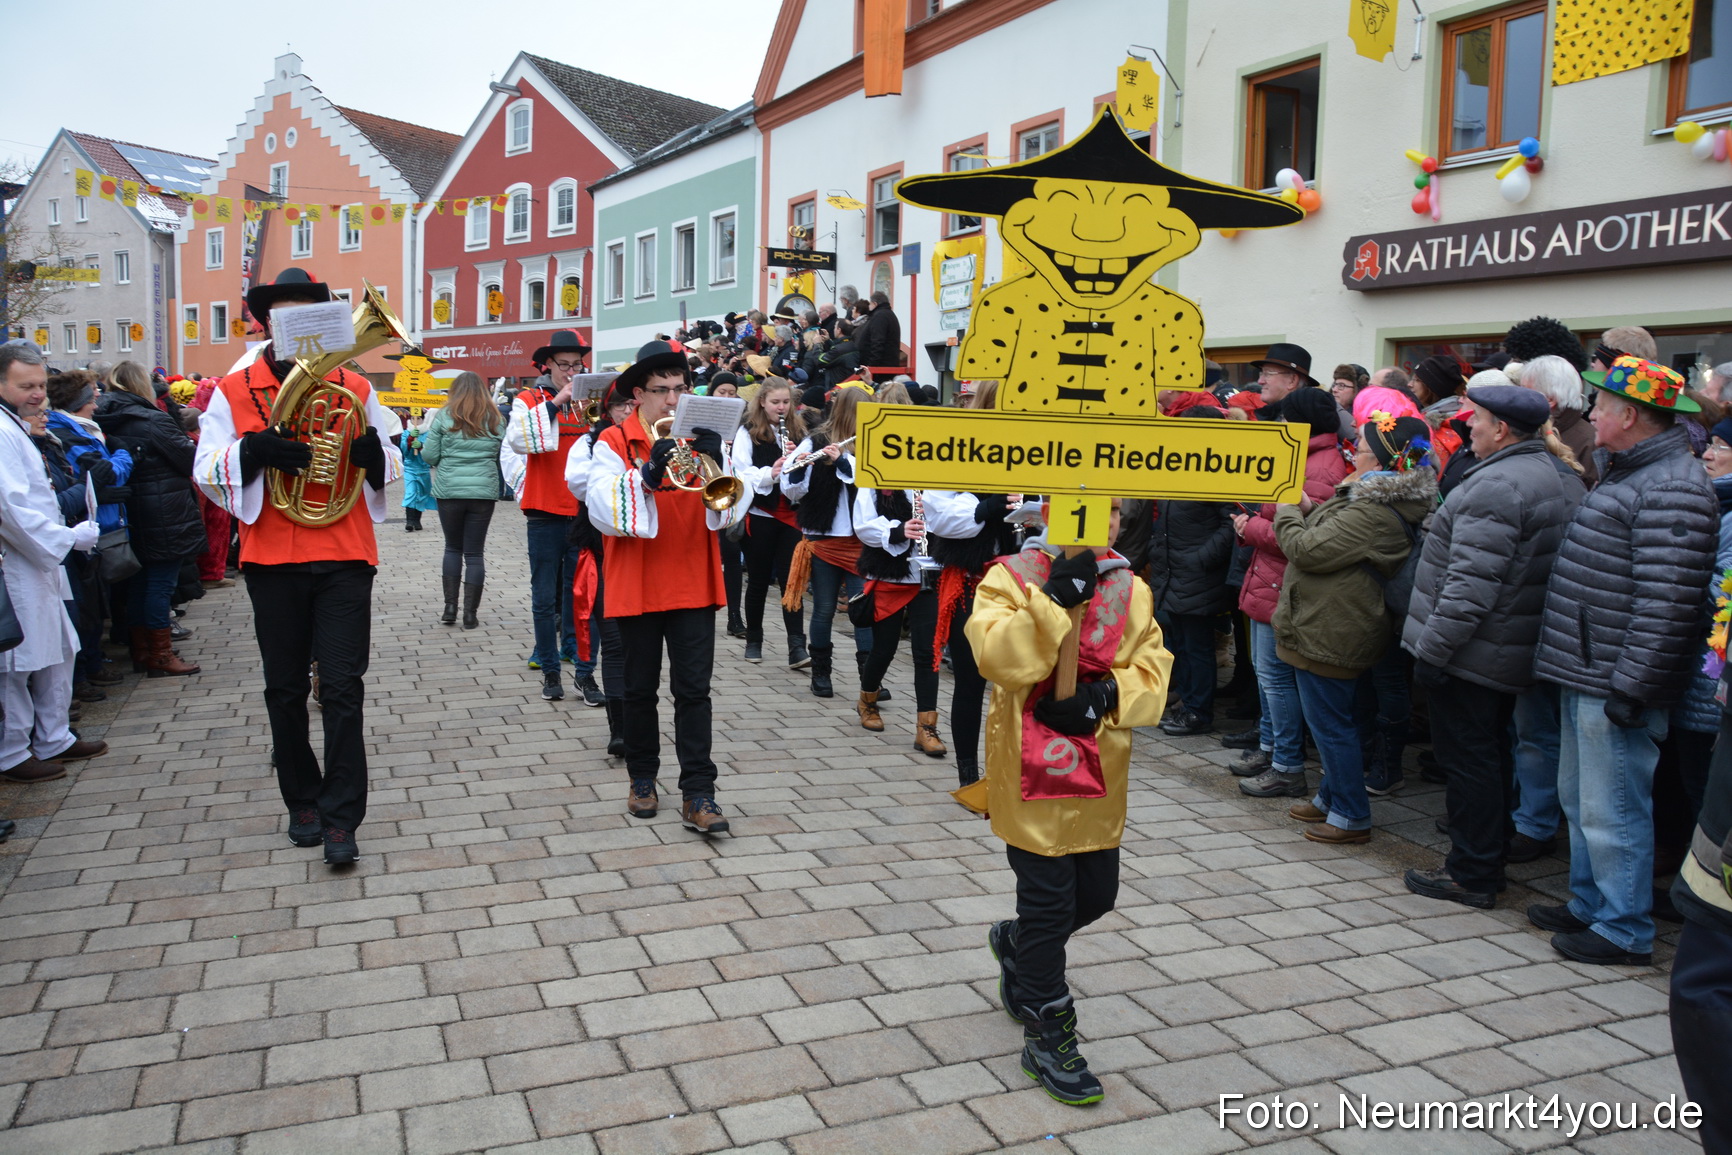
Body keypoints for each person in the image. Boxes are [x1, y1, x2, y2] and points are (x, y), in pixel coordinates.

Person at [193, 267, 403, 866]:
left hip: (344, 555)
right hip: (272, 558)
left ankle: (342, 818)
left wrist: (373, 455)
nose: (297, 326)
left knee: (342, 689)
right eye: (284, 315)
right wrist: (250, 451)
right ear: (266, 322)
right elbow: (205, 469)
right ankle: (302, 800)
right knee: (284, 690)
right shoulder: (234, 389)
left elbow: (391, 461)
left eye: (310, 314)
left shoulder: (355, 387)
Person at [967, 499, 1170, 1107]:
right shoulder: (1010, 575)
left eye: (1111, 512)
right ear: (1049, 512)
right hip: (1030, 774)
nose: (1100, 523)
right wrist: (1054, 600)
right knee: (1052, 905)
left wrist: (1107, 692)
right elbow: (995, 657)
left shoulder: (1131, 588)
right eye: (1084, 509)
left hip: (1098, 769)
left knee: (1096, 897)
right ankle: (1048, 1032)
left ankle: (1019, 943)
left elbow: (1154, 665)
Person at [1528, 357, 1718, 965]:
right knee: (1582, 799)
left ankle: (1624, 927)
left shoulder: (1671, 485)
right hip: (1589, 665)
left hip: (1614, 673)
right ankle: (1591, 904)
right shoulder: (1631, 470)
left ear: (1630, 416)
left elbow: (1669, 600)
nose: (1590, 414)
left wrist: (1634, 685)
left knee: (1614, 807)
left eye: (1601, 405)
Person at [1399, 385, 1585, 908]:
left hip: (1472, 653)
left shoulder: (1498, 485)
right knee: (1492, 756)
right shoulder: (1551, 473)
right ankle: (1487, 857)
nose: (1467, 428)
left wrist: (1432, 653)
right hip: (1502, 647)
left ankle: (1472, 873)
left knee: (1472, 762)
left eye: (1475, 420)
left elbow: (1468, 588)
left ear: (1502, 429)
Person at [586, 340, 746, 835]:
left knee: (693, 693)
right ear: (639, 394)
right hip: (636, 582)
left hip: (693, 580)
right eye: (662, 391)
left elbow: (731, 509)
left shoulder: (705, 435)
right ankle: (642, 778)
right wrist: (649, 475)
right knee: (638, 691)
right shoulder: (613, 440)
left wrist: (719, 462)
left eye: (680, 389)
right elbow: (602, 506)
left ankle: (700, 792)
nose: (673, 401)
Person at [1273, 414, 1436, 843]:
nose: (1353, 453)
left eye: (1361, 450)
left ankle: (1350, 814)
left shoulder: (1377, 510)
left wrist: (1287, 508)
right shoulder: (1369, 496)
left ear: (1383, 461)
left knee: (1331, 724)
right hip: (1328, 621)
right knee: (1336, 719)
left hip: (1334, 628)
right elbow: (1327, 533)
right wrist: (1308, 509)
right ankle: (1330, 797)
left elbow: (1306, 550)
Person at [1230, 386, 1352, 793]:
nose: (1279, 423)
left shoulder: (1319, 467)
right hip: (1270, 580)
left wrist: (1250, 529)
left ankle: (1286, 765)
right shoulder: (1302, 457)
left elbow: (1300, 537)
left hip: (1283, 582)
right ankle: (1270, 749)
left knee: (1276, 678)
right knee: (1269, 676)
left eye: (1286, 417)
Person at [0, 344, 105, 783]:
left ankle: (53, 735)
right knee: (20, 662)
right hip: (21, 562)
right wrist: (66, 539)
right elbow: (11, 507)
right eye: (26, 386)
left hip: (42, 561)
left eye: (41, 385)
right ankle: (12, 750)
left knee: (59, 649)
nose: (37, 394)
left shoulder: (17, 427)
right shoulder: (3, 432)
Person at [925, 381, 1023, 787]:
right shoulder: (959, 445)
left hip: (1024, 581)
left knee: (1020, 680)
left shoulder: (1041, 446)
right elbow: (940, 515)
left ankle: (1014, 767)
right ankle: (968, 772)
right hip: (974, 580)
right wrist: (989, 506)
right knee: (970, 678)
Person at [97, 361, 205, 678]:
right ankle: (160, 654)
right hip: (163, 511)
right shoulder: (151, 419)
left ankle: (142, 650)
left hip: (131, 511)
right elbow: (188, 459)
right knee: (160, 585)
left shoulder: (107, 417)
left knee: (140, 584)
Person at [506, 331, 593, 702]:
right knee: (543, 596)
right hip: (543, 511)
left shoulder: (592, 401)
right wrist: (558, 401)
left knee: (580, 595)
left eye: (577, 365)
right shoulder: (528, 400)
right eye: (564, 365)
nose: (571, 372)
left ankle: (580, 660)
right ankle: (549, 669)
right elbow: (519, 440)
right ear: (548, 367)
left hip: (582, 512)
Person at [781, 388, 879, 700]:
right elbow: (790, 487)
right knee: (823, 608)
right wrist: (803, 467)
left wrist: (842, 461)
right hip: (825, 537)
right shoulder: (816, 441)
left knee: (861, 610)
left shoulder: (872, 443)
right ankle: (821, 673)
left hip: (861, 539)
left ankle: (870, 678)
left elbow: (870, 481)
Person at [1146, 408, 1237, 738]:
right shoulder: (1183, 464)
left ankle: (1199, 711)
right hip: (1174, 570)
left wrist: (1201, 558)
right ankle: (1187, 702)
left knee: (1197, 646)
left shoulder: (1220, 470)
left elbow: (1231, 525)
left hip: (1197, 574)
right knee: (1181, 642)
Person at [46, 370, 134, 695]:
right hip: (82, 531)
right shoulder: (65, 431)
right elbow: (108, 472)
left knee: (96, 604)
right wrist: (124, 454)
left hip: (100, 526)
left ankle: (90, 666)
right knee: (85, 608)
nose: (98, 398)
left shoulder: (82, 430)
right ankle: (83, 672)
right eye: (92, 394)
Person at [566, 379, 636, 758]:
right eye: (620, 406)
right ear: (607, 411)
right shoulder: (589, 444)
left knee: (640, 646)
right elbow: (579, 485)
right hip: (604, 551)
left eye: (631, 405)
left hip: (645, 555)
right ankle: (619, 729)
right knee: (613, 642)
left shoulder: (654, 440)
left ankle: (639, 721)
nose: (627, 412)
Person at [853, 482, 945, 755]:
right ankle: (866, 701)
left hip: (928, 575)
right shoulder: (876, 478)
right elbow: (863, 526)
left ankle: (925, 728)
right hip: (891, 576)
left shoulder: (936, 479)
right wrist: (898, 530)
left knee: (927, 653)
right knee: (884, 649)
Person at [730, 379, 809, 668]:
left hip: (791, 515)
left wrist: (800, 459)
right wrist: (772, 472)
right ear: (762, 401)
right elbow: (741, 471)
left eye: (786, 402)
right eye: (776, 402)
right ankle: (754, 639)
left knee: (793, 581)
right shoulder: (747, 431)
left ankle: (796, 646)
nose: (781, 408)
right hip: (761, 515)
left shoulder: (799, 430)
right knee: (759, 580)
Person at [422, 373, 505, 630]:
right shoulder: (496, 418)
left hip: (450, 491)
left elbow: (429, 456)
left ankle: (449, 608)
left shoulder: (444, 416)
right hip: (482, 493)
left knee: (452, 548)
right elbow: (502, 455)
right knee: (475, 553)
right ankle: (470, 614)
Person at [1519, 354, 1597, 487]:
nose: (1518, 397)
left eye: (1525, 391)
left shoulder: (1591, 443)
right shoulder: (1528, 432)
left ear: (1550, 399)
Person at [397, 410, 437, 532]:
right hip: (410, 468)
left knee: (422, 494)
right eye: (414, 418)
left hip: (423, 469)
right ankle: (409, 521)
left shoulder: (428, 434)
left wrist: (421, 446)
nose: (417, 421)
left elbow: (431, 451)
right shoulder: (406, 433)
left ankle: (417, 520)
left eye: (419, 419)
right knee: (411, 492)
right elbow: (403, 450)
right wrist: (409, 440)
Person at [856, 290, 902, 372]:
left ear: (875, 303)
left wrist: (872, 366)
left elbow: (877, 341)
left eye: (870, 304)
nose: (869, 307)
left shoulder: (880, 316)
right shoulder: (888, 314)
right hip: (886, 365)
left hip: (880, 368)